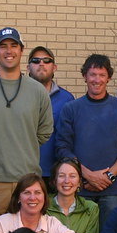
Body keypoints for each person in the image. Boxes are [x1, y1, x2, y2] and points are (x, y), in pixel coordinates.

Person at [0, 27, 53, 220]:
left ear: (22, 50)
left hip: (27, 184)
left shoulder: (38, 91)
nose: (8, 51)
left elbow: (43, 133)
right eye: (3, 46)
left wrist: (20, 143)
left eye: (14, 46)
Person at [55, 54, 117, 219]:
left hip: (114, 189)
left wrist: (108, 176)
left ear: (108, 78)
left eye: (102, 75)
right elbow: (62, 148)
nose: (97, 79)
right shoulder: (70, 109)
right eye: (92, 74)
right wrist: (87, 175)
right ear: (85, 77)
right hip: (80, 187)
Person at [26, 45, 73, 178]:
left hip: (56, 174)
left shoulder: (67, 99)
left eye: (47, 60)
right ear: (28, 67)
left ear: (54, 67)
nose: (41, 63)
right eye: (36, 61)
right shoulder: (17, 97)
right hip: (23, 171)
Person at [45, 156, 101, 233]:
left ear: (79, 182)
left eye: (72, 176)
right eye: (61, 176)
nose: (67, 181)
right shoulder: (43, 206)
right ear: (54, 181)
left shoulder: (91, 208)